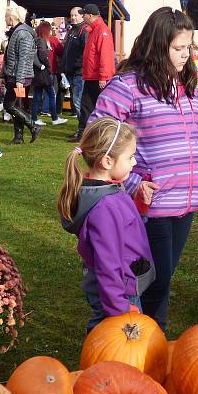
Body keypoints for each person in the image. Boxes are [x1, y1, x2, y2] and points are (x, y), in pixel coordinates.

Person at [89, 7, 198, 331]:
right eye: (178, 48)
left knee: (163, 280)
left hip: (185, 202)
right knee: (152, 283)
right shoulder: (128, 86)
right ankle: (140, 346)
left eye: (188, 47)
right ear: (159, 46)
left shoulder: (185, 88)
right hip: (150, 204)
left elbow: (196, 134)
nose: (186, 55)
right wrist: (131, 183)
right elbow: (98, 136)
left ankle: (150, 345)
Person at [59, 117, 156, 332]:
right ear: (107, 162)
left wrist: (138, 206)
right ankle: (100, 363)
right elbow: (107, 264)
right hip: (118, 289)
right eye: (130, 157)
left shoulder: (108, 189)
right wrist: (120, 308)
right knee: (110, 333)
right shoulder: (105, 206)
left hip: (122, 282)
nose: (134, 162)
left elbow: (121, 227)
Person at [73, 3, 115, 142]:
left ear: (90, 15)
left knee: (97, 107)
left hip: (98, 77)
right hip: (92, 76)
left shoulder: (101, 31)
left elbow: (105, 56)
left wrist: (103, 77)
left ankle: (97, 134)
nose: (82, 16)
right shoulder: (94, 30)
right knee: (87, 105)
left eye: (83, 13)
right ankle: (84, 134)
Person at [2, 5, 42, 144]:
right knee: (16, 105)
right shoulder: (16, 31)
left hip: (20, 78)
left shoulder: (22, 33)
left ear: (11, 17)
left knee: (9, 105)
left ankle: (33, 126)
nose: (4, 18)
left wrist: (19, 79)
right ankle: (18, 136)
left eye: (6, 16)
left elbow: (24, 58)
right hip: (15, 76)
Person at [32, 21, 67, 127]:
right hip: (48, 71)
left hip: (37, 72)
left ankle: (34, 118)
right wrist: (48, 66)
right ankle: (54, 117)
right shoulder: (51, 40)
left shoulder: (35, 40)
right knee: (52, 94)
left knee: (37, 95)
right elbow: (60, 52)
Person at [62, 7, 89, 124]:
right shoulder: (72, 30)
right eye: (71, 15)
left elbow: (87, 52)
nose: (72, 17)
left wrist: (77, 65)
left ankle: (84, 130)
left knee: (78, 102)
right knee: (75, 101)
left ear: (82, 16)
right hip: (71, 72)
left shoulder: (84, 30)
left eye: (75, 15)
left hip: (79, 72)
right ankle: (81, 128)